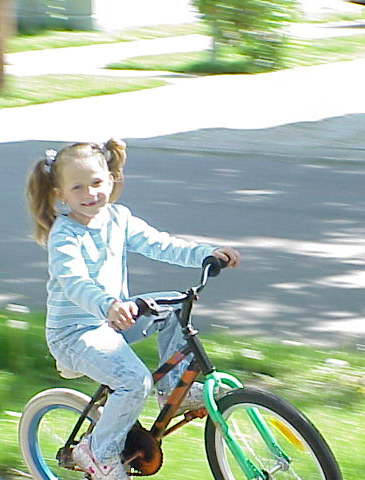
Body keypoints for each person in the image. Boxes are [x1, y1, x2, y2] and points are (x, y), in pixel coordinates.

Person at [26, 139, 240, 480]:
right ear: (60, 193)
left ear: (110, 180)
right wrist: (108, 305)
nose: (89, 193)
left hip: (113, 321)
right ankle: (98, 452)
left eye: (96, 183)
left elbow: (160, 243)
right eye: (77, 187)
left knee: (173, 306)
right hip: (75, 334)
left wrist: (205, 253)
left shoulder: (118, 218)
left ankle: (172, 389)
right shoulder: (64, 235)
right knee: (133, 380)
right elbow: (74, 281)